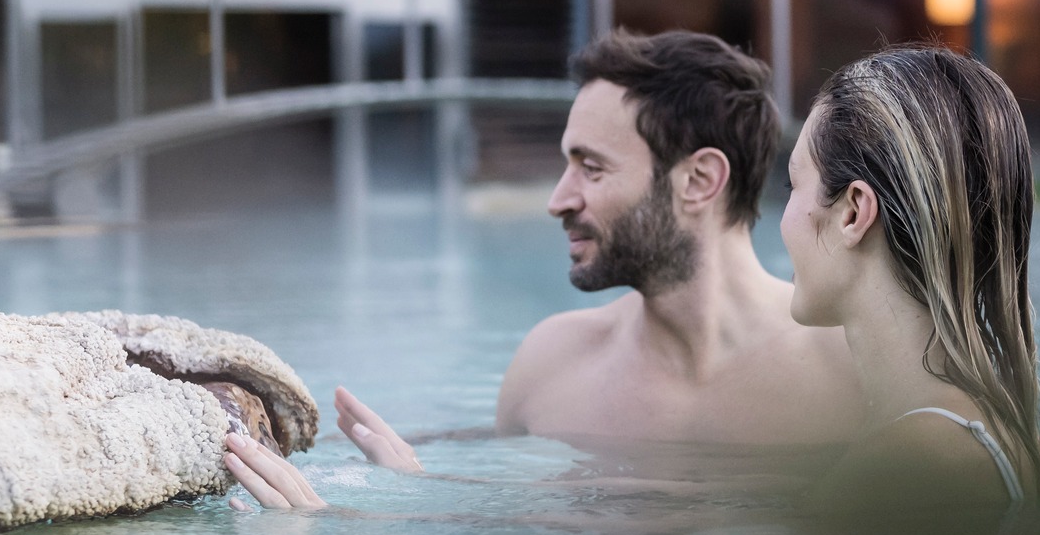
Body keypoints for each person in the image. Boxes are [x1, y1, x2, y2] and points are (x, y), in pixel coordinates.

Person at [226, 30, 867, 507]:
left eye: (591, 167)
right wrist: (407, 492)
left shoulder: (854, 372)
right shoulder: (550, 366)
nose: (558, 199)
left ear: (699, 180)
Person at [780, 46, 1040, 514]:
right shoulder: (989, 423)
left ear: (853, 213)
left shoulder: (905, 466)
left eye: (792, 185)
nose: (783, 220)